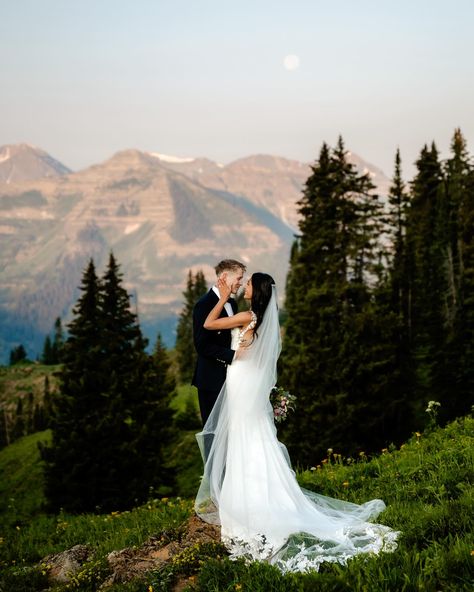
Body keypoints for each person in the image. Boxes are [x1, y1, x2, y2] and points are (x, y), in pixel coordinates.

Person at [195, 272, 399, 573]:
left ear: (257, 292)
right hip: (250, 386)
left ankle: (245, 499)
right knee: (254, 436)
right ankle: (261, 493)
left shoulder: (246, 316)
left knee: (243, 436)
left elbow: (209, 324)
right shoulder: (267, 323)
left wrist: (223, 296)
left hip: (240, 383)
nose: (244, 286)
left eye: (248, 284)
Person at [192, 259, 246, 425]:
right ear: (224, 276)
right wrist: (233, 355)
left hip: (232, 378)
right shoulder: (204, 304)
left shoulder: (231, 303)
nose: (240, 283)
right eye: (238, 278)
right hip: (211, 379)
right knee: (214, 431)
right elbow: (202, 345)